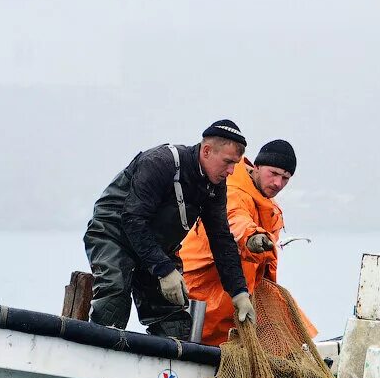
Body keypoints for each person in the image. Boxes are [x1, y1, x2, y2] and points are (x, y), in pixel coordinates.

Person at [83, 119, 256, 338]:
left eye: (235, 164)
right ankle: (97, 355)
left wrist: (239, 293)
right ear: (207, 150)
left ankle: (167, 367)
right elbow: (133, 219)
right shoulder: (160, 162)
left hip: (156, 245)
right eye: (228, 162)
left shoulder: (214, 185)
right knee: (114, 294)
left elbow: (221, 239)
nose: (232, 171)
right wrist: (164, 270)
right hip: (114, 233)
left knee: (174, 317)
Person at [180, 139, 317, 346]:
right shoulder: (232, 192)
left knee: (289, 327)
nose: (278, 183)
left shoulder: (269, 208)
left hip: (237, 299)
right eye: (274, 173)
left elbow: (266, 274)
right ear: (257, 166)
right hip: (201, 294)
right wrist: (252, 238)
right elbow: (233, 220)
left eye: (285, 178)